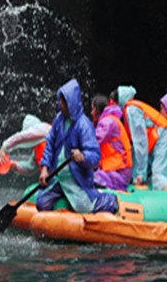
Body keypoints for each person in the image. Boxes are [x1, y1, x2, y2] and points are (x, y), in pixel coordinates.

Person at [35, 79, 118, 214]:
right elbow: (49, 143)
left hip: (77, 180)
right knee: (41, 203)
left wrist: (82, 157)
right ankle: (64, 195)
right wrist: (44, 168)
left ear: (70, 103)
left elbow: (95, 156)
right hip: (59, 178)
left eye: (62, 101)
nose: (59, 104)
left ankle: (109, 200)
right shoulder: (59, 119)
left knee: (84, 207)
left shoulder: (83, 125)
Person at [116, 85, 167, 186]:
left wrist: (140, 173)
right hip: (158, 137)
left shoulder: (131, 110)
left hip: (163, 137)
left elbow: (140, 142)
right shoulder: (130, 108)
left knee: (159, 176)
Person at [90, 94, 132, 190]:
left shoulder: (108, 122)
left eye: (93, 109)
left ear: (98, 110)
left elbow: (92, 142)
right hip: (114, 170)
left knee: (86, 178)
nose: (91, 113)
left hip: (118, 173)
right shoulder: (108, 120)